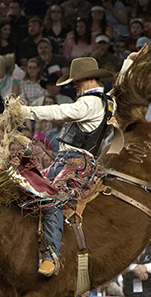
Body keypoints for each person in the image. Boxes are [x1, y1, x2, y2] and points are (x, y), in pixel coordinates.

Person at [20, 52, 136, 276]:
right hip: (70, 160)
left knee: (51, 199)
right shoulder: (105, 100)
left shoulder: (89, 103)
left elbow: (60, 111)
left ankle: (51, 257)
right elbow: (121, 86)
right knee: (28, 186)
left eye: (77, 81)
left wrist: (24, 111)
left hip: (76, 162)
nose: (74, 85)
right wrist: (129, 62)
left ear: (91, 80)